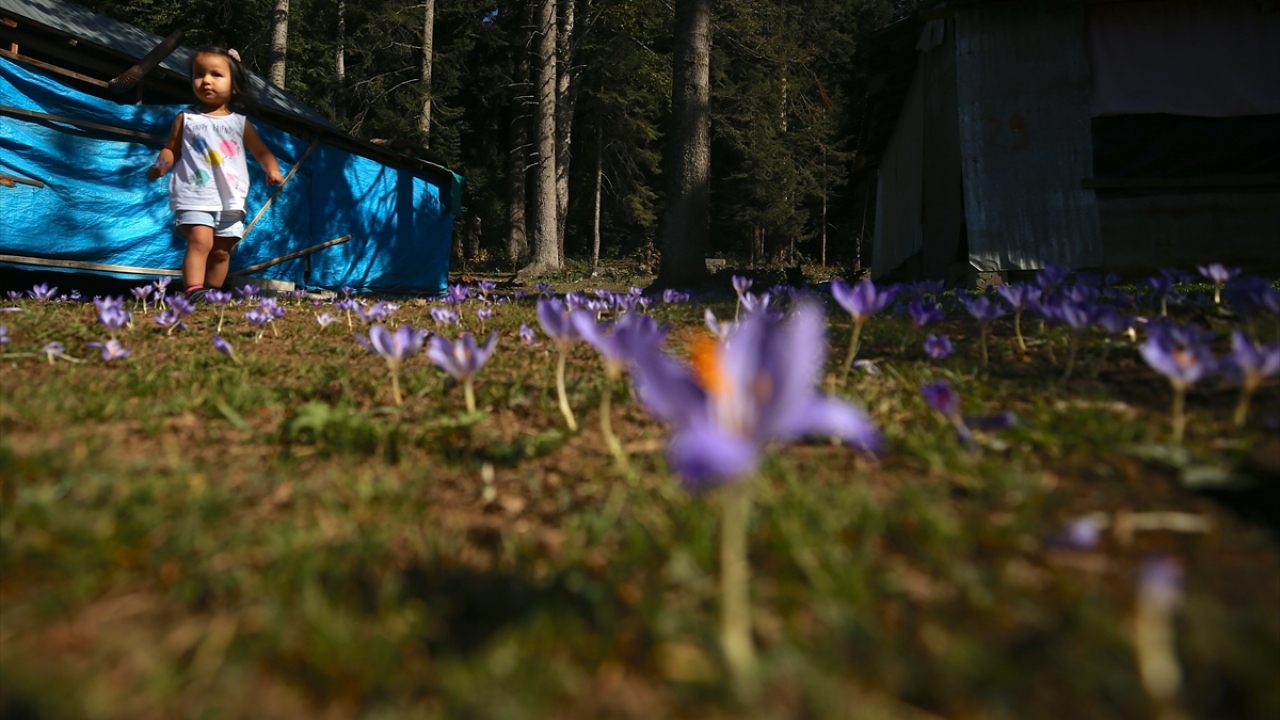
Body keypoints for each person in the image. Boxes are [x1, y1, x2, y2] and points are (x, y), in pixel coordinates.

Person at [147, 47, 284, 299]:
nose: (206, 81)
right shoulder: (186, 118)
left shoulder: (240, 123)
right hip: (195, 194)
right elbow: (171, 149)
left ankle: (212, 294)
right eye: (199, 74)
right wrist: (161, 165)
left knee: (222, 251)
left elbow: (261, 151)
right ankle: (193, 291)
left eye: (216, 74)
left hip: (231, 198)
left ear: (235, 86)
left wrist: (273, 169)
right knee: (201, 242)